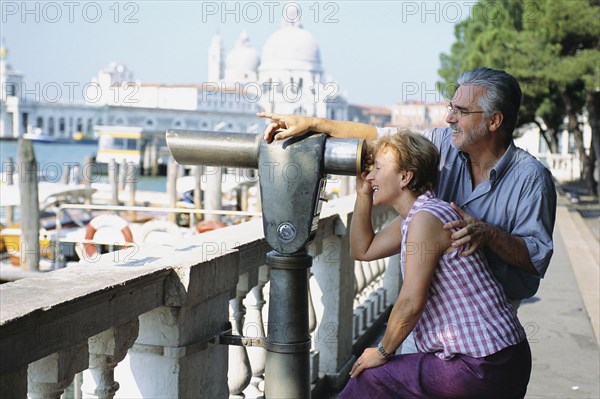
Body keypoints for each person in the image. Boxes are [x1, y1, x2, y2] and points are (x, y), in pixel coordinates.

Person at [258, 67, 557, 308]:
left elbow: (535, 258)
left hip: (490, 318)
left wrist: (487, 234)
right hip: (431, 308)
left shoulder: (531, 179)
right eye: (451, 107)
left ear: (494, 121)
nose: (449, 117)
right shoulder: (442, 145)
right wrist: (313, 124)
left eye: (461, 111)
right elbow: (379, 135)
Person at [340, 131, 531, 398]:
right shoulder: (418, 215)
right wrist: (363, 195)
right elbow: (362, 250)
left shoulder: (426, 219)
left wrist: (382, 351)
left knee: (370, 377)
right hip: (498, 356)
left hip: (484, 363)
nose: (370, 176)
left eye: (378, 169)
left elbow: (411, 302)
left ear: (405, 177)